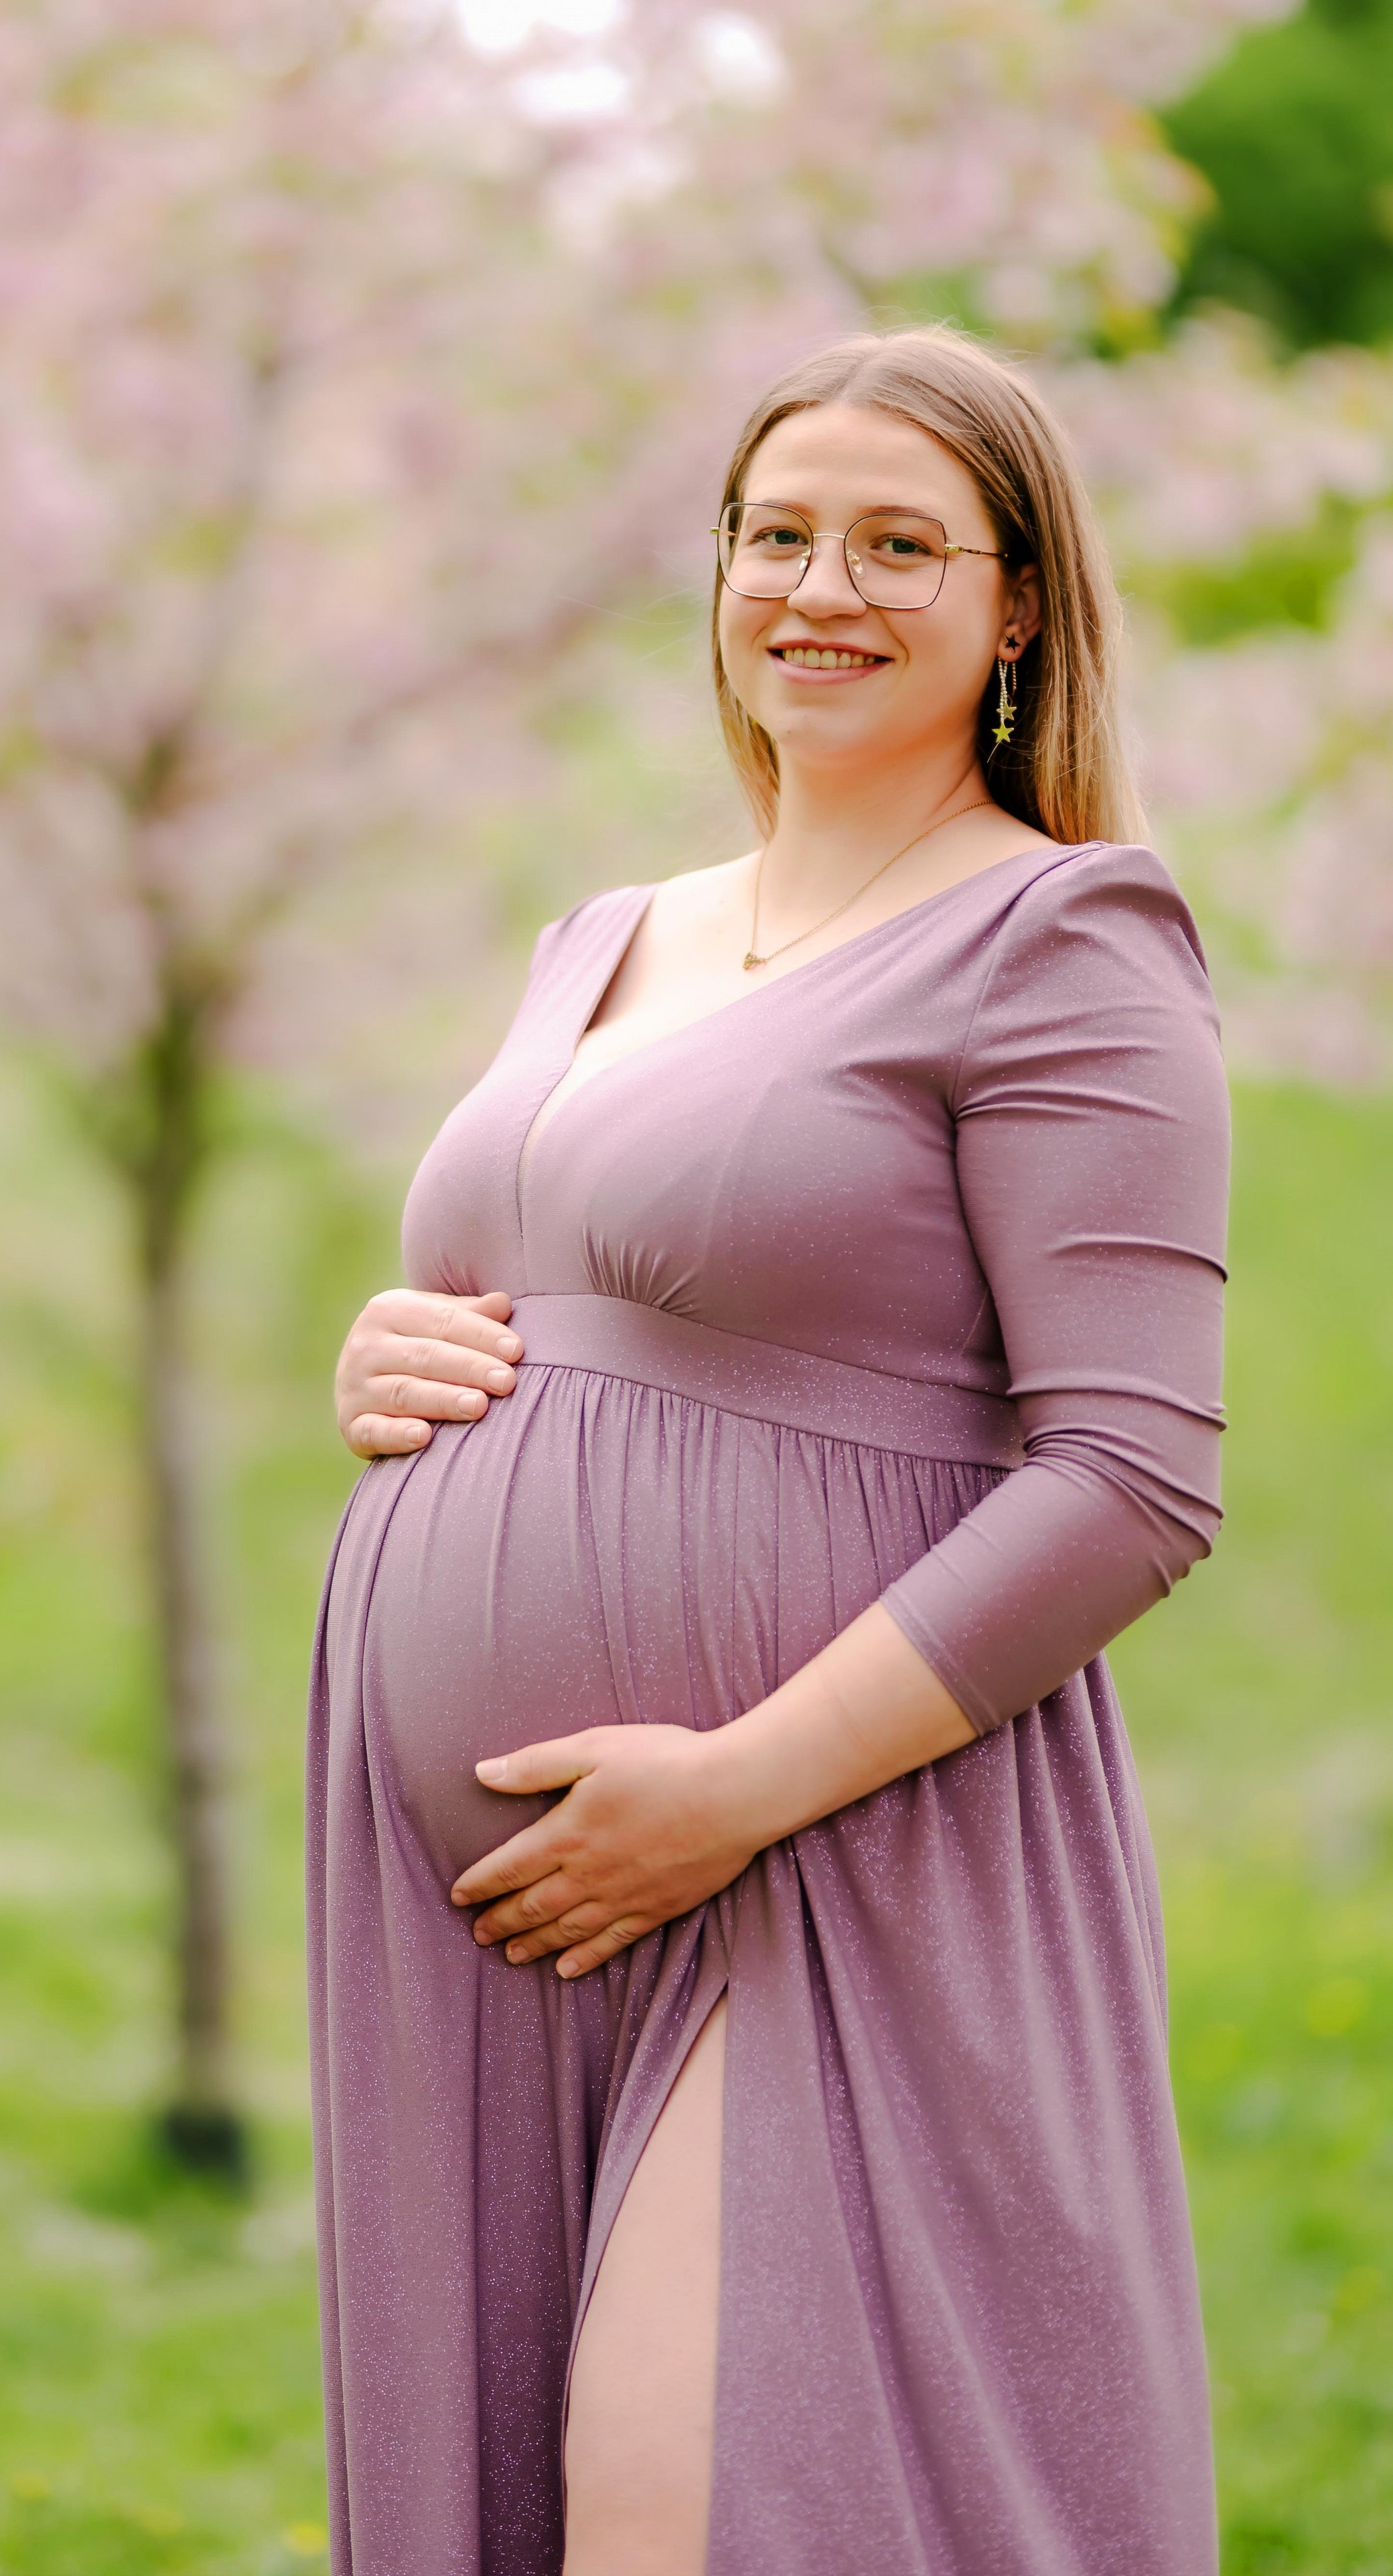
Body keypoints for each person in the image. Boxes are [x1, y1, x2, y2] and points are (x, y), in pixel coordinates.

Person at [308, 323, 1229, 2576]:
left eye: (903, 545)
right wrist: (392, 1361)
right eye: (778, 533)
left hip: (819, 1856)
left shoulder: (1064, 938)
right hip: (489, 1914)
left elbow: (1129, 1477)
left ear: (1017, 607)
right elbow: (576, 1294)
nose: (824, 585)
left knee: (715, 2512)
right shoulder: (606, 939)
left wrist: (730, 1793)